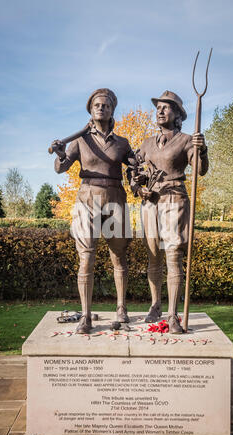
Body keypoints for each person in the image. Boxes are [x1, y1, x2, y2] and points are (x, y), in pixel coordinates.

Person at [53, 88, 136, 334]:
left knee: (118, 256)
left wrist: (137, 180)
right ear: (91, 109)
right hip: (87, 199)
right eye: (97, 104)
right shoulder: (80, 141)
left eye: (106, 105)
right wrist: (59, 153)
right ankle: (86, 316)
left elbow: (134, 169)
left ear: (112, 110)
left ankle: (121, 308)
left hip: (115, 199)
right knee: (86, 258)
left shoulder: (122, 143)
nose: (101, 107)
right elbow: (61, 167)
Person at [134, 90, 208, 334]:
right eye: (158, 107)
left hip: (174, 199)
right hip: (150, 203)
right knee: (153, 255)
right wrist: (137, 188)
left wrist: (202, 150)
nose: (160, 111)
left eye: (166, 108)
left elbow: (199, 171)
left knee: (173, 254)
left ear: (177, 115)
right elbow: (133, 171)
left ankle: (173, 314)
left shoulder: (186, 140)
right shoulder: (146, 143)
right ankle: (155, 306)